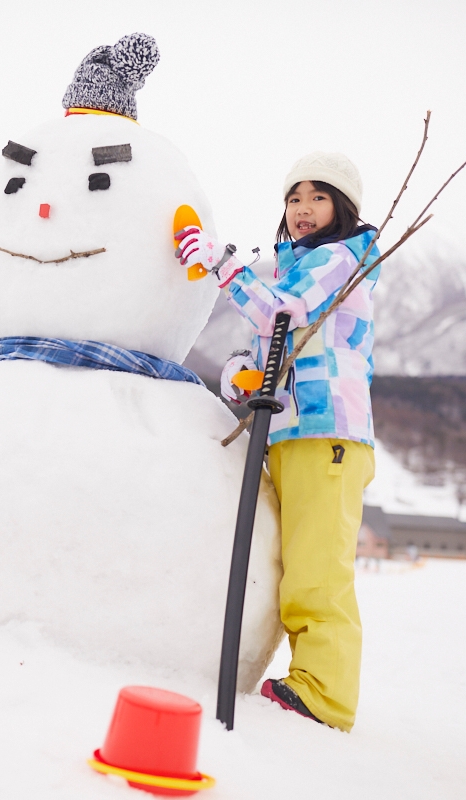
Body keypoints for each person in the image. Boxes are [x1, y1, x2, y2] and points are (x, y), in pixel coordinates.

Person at [175, 152, 379, 732]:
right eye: (294, 198)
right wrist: (242, 371)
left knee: (319, 570)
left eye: (317, 197)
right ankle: (309, 680)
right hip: (291, 433)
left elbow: (283, 313)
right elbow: (271, 344)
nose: (302, 209)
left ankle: (325, 697)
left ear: (342, 207)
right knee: (293, 565)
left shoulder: (343, 258)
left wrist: (223, 264)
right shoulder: (295, 266)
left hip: (327, 432)